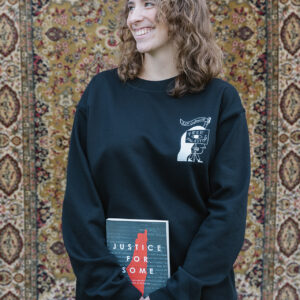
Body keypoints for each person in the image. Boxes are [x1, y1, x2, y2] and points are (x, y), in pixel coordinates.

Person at [62, 0, 251, 299]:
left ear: (183, 10)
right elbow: (79, 208)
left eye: (148, 4)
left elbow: (228, 214)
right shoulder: (100, 94)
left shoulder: (221, 101)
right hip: (107, 292)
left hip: (196, 292)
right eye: (130, 6)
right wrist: (115, 292)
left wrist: (176, 293)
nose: (134, 18)